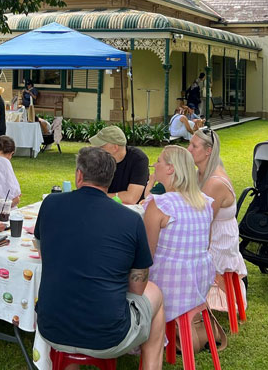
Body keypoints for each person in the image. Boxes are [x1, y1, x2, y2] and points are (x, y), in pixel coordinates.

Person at [35, 147, 164, 369]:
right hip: (108, 336)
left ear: (79, 175)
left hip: (50, 328)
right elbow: (138, 288)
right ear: (110, 179)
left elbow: (41, 249)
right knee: (156, 294)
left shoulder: (50, 204)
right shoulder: (131, 219)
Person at [143, 145, 215, 323]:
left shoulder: (160, 204)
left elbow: (146, 255)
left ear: (170, 168)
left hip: (168, 284)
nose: (154, 164)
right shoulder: (205, 202)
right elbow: (206, 245)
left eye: (158, 161)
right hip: (199, 281)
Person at [188, 129, 248, 312]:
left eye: (193, 146)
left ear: (208, 151)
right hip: (210, 233)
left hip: (218, 240)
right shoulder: (199, 173)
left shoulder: (214, 182)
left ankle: (183, 300)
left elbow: (198, 221)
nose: (188, 149)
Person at [89, 125, 149, 204]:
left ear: (115, 148)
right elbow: (90, 189)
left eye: (101, 146)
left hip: (131, 211)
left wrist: (98, 196)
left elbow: (131, 198)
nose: (96, 149)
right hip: (104, 205)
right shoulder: (99, 159)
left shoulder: (138, 159)